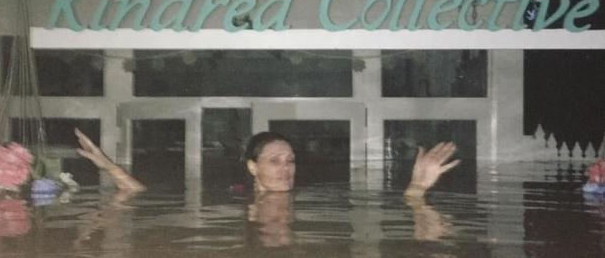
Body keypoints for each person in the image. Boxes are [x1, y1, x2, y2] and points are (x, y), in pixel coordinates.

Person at [75, 128, 459, 197]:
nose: (286, 167)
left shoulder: (309, 201)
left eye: (290, 160)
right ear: (252, 166)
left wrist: (417, 188)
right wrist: (109, 167)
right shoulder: (229, 196)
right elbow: (144, 199)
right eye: (275, 160)